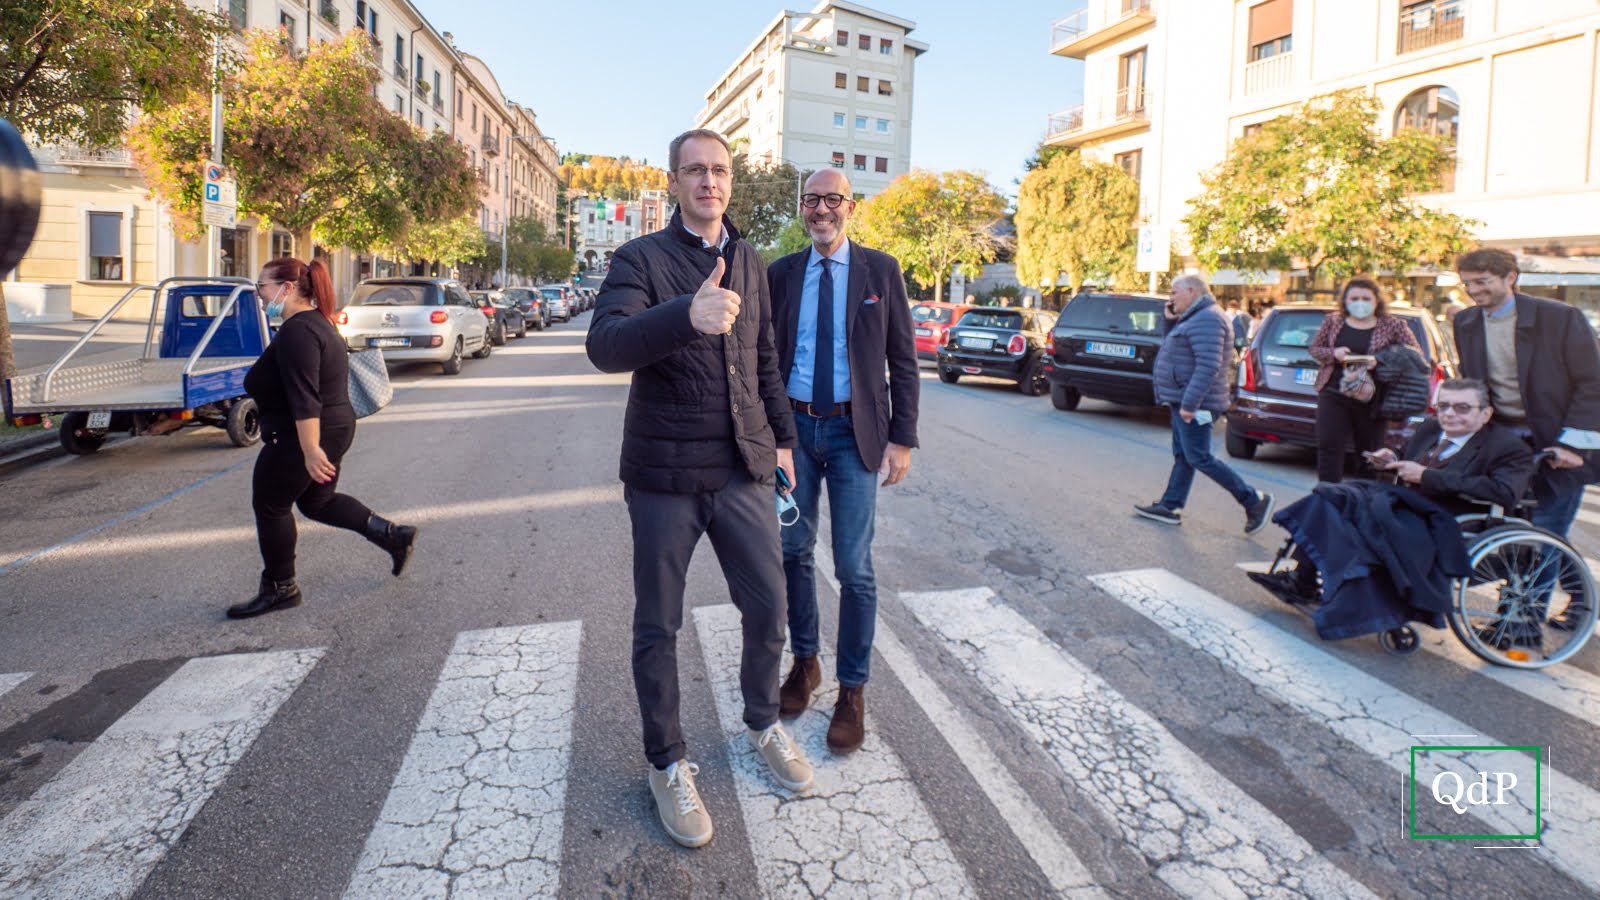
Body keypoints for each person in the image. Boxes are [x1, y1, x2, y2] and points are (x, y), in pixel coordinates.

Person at [585, 128, 812, 849]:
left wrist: (783, 441)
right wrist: (686, 314)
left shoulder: (749, 258)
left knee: (769, 605)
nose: (709, 181)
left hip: (743, 466)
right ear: (674, 182)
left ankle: (763, 721)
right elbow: (605, 346)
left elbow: (765, 357)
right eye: (695, 171)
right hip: (664, 475)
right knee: (659, 624)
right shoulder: (640, 258)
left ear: (730, 180)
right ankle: (667, 762)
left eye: (719, 170)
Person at [766, 169, 919, 754]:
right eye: (812, 199)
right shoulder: (782, 273)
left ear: (851, 208)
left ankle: (852, 690)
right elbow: (765, 357)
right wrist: (769, 433)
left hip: (857, 434)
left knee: (854, 568)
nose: (821, 209)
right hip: (794, 432)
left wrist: (902, 437)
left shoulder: (881, 271)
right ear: (802, 208)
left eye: (833, 199)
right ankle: (806, 663)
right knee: (793, 552)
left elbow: (903, 359)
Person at [229, 257, 418, 619]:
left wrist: (310, 449)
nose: (259, 294)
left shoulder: (299, 332)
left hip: (303, 434)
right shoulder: (317, 323)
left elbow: (305, 396)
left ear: (286, 288)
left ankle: (281, 587)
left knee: (271, 505)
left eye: (262, 286)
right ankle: (393, 536)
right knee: (318, 501)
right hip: (333, 428)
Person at [1254, 378, 1535, 602]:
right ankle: (1303, 579)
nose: (1450, 414)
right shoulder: (1430, 428)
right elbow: (1408, 454)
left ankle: (1325, 588)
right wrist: (1392, 457)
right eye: (1443, 406)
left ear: (1485, 414)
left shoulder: (1508, 449)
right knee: (1331, 496)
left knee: (1346, 504)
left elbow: (1504, 492)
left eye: (1462, 408)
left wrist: (1427, 476)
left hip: (1442, 518)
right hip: (1401, 504)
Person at [1453, 247, 1600, 630]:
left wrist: (1572, 445)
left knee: (1545, 530)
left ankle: (1521, 623)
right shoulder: (1466, 322)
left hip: (1559, 441)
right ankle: (1582, 600)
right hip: (1505, 443)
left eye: (1482, 282)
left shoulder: (1560, 318)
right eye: (1467, 283)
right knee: (1522, 532)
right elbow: (1472, 383)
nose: (1473, 291)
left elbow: (1592, 384)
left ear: (1510, 277)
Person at [1136, 274, 1275, 532]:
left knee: (1198, 457)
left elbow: (1208, 366)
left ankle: (1254, 501)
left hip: (1197, 402)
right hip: (1185, 398)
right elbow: (1174, 348)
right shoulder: (1195, 317)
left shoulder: (1208, 318)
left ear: (1191, 291)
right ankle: (1170, 506)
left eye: (1174, 292)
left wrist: (1190, 404)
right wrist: (1170, 320)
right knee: (1184, 455)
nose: (1170, 298)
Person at [1306, 278, 1421, 483]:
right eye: (1354, 298)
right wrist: (1334, 353)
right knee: (1329, 445)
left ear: (1377, 301)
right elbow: (1315, 349)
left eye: (1366, 298)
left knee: (1369, 452)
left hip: (1374, 398)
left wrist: (1380, 361)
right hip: (1334, 393)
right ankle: (1327, 494)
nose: (1360, 303)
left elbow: (1414, 356)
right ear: (1345, 300)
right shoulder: (1333, 321)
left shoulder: (1394, 325)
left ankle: (1364, 494)